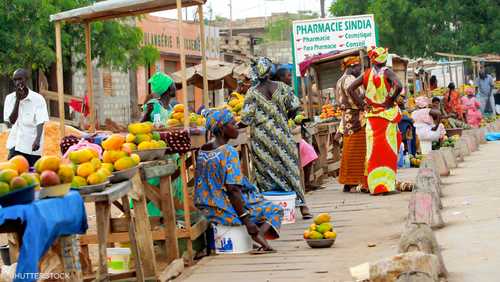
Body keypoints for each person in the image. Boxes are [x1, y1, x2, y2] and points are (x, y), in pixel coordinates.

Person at [195, 109, 283, 254]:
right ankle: (258, 235)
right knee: (275, 210)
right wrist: (247, 222)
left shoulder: (202, 150)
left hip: (205, 205)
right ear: (223, 129)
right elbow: (233, 190)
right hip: (224, 209)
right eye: (232, 123)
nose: (236, 125)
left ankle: (253, 235)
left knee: (255, 199)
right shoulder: (229, 152)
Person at [241, 57, 312, 218]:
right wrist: (294, 117)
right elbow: (295, 109)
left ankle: (269, 209)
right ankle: (303, 207)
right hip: (282, 137)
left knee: (265, 174)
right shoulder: (282, 88)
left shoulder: (252, 93)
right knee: (290, 170)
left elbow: (246, 119)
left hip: (261, 140)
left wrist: (229, 126)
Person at [347, 47, 402, 195]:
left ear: (372, 60)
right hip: (386, 118)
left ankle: (371, 185)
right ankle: (385, 185)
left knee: (372, 152)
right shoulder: (387, 72)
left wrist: (362, 105)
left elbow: (350, 89)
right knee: (388, 151)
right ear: (384, 59)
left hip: (372, 118)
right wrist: (390, 99)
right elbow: (399, 86)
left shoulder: (366, 74)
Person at [273, 68, 321, 192]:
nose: (290, 78)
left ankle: (305, 183)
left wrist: (298, 116)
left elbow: (293, 110)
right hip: (281, 132)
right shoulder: (279, 91)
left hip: (290, 130)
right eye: (288, 76)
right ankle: (302, 184)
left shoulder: (286, 91)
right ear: (281, 78)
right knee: (307, 151)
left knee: (309, 151)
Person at [3, 69, 49, 166]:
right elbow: (11, 121)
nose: (18, 82)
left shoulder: (38, 99)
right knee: (12, 172)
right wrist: (18, 101)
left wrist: (37, 140)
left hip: (32, 146)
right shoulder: (10, 98)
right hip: (15, 144)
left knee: (32, 175)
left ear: (26, 79)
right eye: (15, 80)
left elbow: (40, 121)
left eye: (20, 79)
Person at [335, 56, 368, 193]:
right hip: (355, 118)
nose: (359, 70)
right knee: (357, 149)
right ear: (352, 66)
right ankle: (353, 181)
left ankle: (349, 182)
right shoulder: (349, 80)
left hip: (348, 117)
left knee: (349, 149)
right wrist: (364, 103)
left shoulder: (339, 80)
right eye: (358, 67)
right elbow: (354, 95)